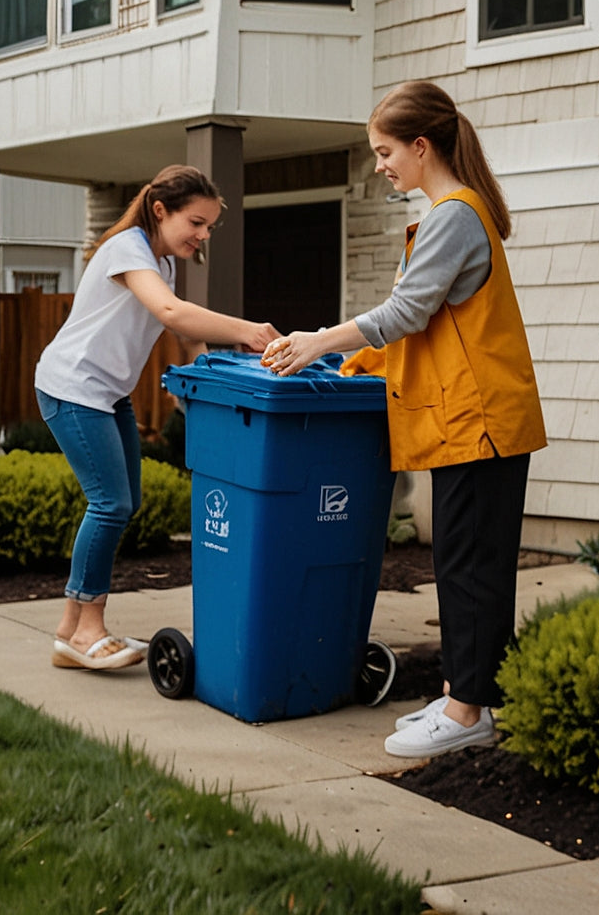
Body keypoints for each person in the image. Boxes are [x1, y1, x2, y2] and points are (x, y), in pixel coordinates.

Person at [262, 81, 546, 757]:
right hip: (470, 423)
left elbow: (405, 314)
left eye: (386, 152)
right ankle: (461, 697)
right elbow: (412, 332)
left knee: (471, 567)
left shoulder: (454, 215)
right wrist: (348, 366)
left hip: (480, 425)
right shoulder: (447, 213)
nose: (381, 165)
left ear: (422, 146)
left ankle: (469, 712)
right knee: (460, 563)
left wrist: (318, 341)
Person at [35, 164, 280, 671]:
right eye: (196, 222)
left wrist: (202, 387)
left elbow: (184, 331)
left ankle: (69, 630)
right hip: (74, 388)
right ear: (160, 211)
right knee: (110, 504)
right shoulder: (127, 248)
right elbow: (169, 313)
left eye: (209, 226)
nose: (203, 235)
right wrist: (247, 330)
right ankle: (87, 630)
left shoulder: (161, 265)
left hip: (106, 393)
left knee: (125, 502)